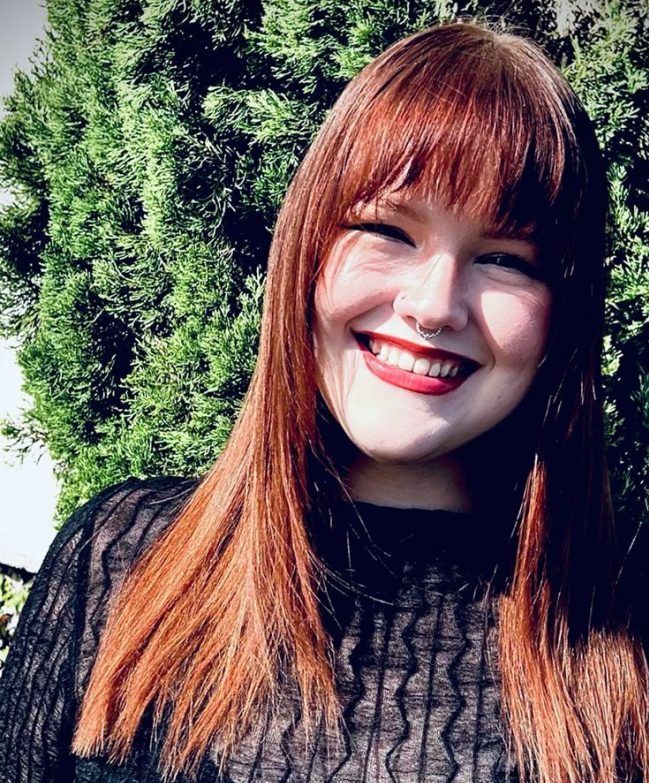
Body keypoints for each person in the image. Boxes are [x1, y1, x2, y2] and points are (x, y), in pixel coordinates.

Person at [0, 19, 646, 783]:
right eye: (386, 230)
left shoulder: (626, 624)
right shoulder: (114, 563)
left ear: (561, 314)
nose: (434, 305)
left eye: (504, 258)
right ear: (304, 253)